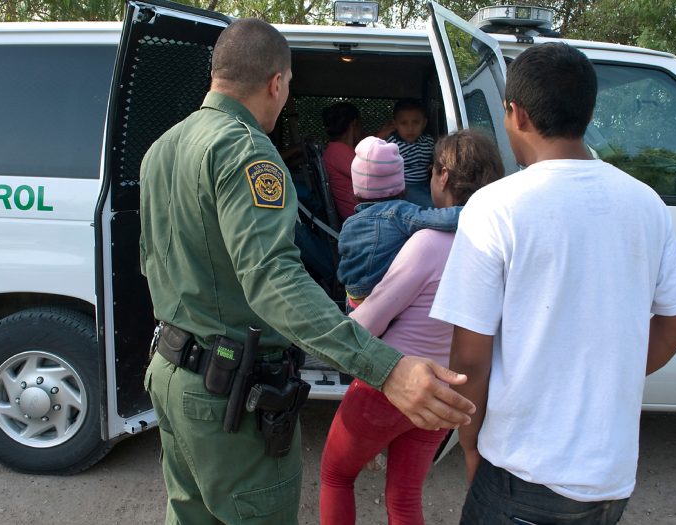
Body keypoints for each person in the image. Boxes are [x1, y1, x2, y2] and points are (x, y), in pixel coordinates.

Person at [137, 18, 475, 525]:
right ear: (277, 82)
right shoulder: (246, 151)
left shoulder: (161, 149)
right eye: (289, 85)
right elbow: (275, 282)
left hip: (171, 375)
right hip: (228, 396)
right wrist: (386, 367)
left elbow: (152, 260)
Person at [431, 42, 676, 525]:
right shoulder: (645, 204)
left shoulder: (496, 207)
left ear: (516, 114)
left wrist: (469, 445)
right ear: (590, 112)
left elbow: (469, 358)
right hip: (611, 479)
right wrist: (600, 384)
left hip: (523, 474)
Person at [321, 130, 505, 525]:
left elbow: (368, 324)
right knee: (404, 496)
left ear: (442, 176)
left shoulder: (427, 243)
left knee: (336, 475)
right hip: (445, 393)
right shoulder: (499, 247)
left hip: (391, 383)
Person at [335, 135, 461, 310]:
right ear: (401, 188)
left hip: (352, 298)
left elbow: (344, 258)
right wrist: (482, 207)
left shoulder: (349, 223)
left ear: (357, 192)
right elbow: (442, 219)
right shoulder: (398, 212)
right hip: (379, 296)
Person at [378, 98, 435, 207]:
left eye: (416, 122)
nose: (410, 128)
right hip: (405, 188)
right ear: (395, 124)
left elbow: (433, 161)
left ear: (424, 123)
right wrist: (382, 134)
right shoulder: (392, 144)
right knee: (431, 206)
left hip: (427, 184)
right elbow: (372, 149)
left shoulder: (428, 141)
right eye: (404, 123)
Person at [322, 101, 363, 220]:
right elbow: (372, 177)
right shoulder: (338, 151)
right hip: (360, 217)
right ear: (354, 124)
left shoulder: (335, 149)